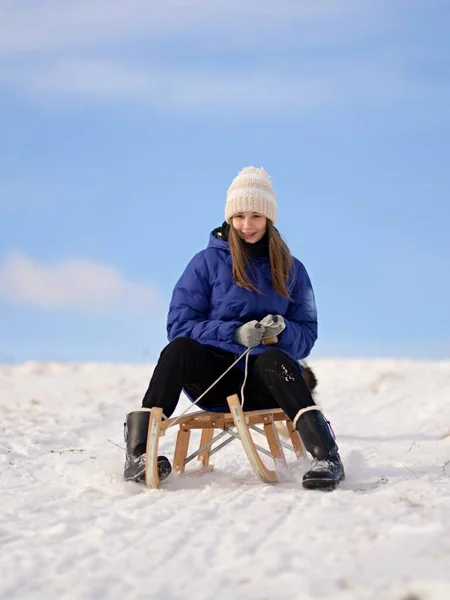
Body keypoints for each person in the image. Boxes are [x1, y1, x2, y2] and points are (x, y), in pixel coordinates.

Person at [124, 166, 345, 490]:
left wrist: (282, 333)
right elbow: (179, 324)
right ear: (229, 218)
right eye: (239, 216)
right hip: (213, 379)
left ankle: (327, 456)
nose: (246, 225)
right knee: (179, 349)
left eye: (255, 215)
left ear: (269, 218)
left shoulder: (292, 269)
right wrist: (234, 334)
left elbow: (307, 335)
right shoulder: (204, 263)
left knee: (273, 359)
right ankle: (138, 455)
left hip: (265, 383)